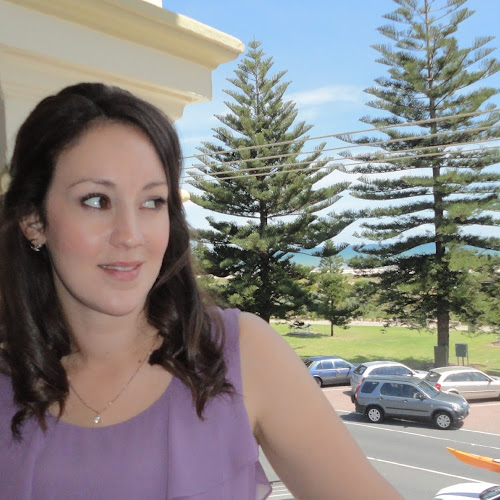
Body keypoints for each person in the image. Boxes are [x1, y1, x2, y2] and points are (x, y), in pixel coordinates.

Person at [0, 83, 403, 499]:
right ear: (33, 220)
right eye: (97, 200)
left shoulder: (240, 355)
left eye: (152, 202)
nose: (131, 235)